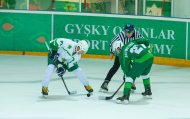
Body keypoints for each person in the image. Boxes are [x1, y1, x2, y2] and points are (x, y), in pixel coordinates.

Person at [100, 23, 143, 92]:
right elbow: (112, 42)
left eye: (129, 32)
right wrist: (111, 52)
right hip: (121, 53)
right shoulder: (121, 35)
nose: (127, 34)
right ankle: (105, 82)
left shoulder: (138, 36)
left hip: (131, 54)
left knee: (131, 68)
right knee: (115, 66)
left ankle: (130, 82)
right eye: (126, 32)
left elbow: (142, 45)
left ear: (133, 31)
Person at [111, 38, 153, 104]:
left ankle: (125, 97)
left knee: (129, 76)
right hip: (150, 56)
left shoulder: (122, 53)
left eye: (116, 51)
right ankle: (148, 91)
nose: (116, 53)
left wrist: (127, 78)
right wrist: (147, 46)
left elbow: (126, 69)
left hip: (141, 60)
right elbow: (144, 40)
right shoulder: (131, 43)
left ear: (118, 48)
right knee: (145, 73)